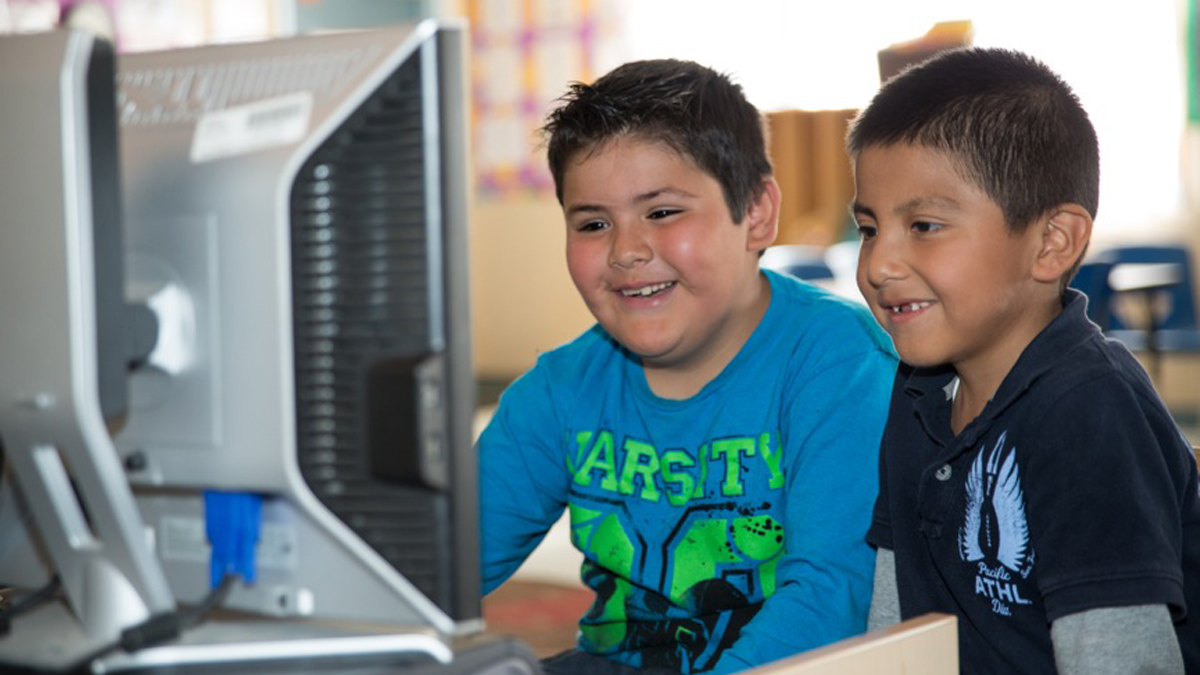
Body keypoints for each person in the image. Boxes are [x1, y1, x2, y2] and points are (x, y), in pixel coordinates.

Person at [477, 58, 898, 675]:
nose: (626, 251)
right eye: (593, 223)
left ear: (756, 212)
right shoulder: (559, 391)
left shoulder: (836, 363)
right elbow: (428, 574)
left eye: (663, 212)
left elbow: (830, 598)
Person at [848, 46, 1200, 674]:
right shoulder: (917, 393)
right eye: (870, 229)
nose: (877, 266)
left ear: (1052, 242)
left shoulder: (1089, 410)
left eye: (924, 225)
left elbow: (1121, 662)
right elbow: (896, 619)